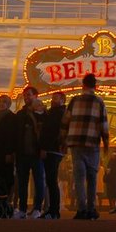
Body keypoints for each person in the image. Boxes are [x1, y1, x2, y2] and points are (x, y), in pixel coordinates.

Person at [63, 73, 107, 220]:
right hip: (92, 142)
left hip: (76, 143)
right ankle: (91, 208)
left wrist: (62, 139)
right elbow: (103, 125)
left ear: (83, 85)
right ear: (96, 86)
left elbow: (65, 121)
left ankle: (81, 209)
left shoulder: (74, 100)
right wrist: (105, 142)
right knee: (92, 177)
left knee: (79, 177)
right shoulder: (99, 102)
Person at [10, 85, 46, 218]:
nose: (26, 97)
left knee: (38, 181)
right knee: (22, 183)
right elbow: (15, 134)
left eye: (29, 95)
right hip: (22, 153)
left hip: (36, 153)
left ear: (36, 96)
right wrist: (14, 151)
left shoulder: (42, 113)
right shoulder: (20, 114)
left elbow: (45, 134)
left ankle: (37, 208)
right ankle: (23, 209)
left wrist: (43, 148)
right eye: (25, 95)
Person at [39, 90, 67, 219]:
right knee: (51, 180)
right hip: (57, 150)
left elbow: (49, 132)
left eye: (56, 98)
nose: (53, 99)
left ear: (62, 100)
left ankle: (54, 210)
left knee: (51, 180)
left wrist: (44, 148)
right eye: (52, 97)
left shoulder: (57, 113)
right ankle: (52, 209)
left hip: (53, 150)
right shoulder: (56, 113)